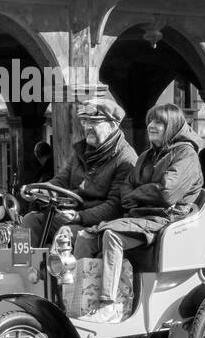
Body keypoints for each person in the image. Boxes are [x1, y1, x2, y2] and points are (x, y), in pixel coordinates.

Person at [73, 104, 203, 321]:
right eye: (150, 121)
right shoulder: (146, 156)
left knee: (111, 235)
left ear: (172, 126)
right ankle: (79, 299)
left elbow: (167, 193)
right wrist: (140, 194)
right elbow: (126, 190)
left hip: (164, 221)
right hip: (139, 218)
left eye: (159, 122)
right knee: (85, 237)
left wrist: (136, 194)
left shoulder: (186, 155)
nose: (152, 126)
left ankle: (109, 304)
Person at [20, 97, 137, 246]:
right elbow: (60, 182)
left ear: (113, 125)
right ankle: (26, 267)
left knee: (65, 234)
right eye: (85, 122)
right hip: (72, 216)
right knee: (31, 220)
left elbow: (115, 206)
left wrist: (78, 216)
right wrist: (37, 191)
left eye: (94, 122)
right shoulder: (81, 152)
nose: (87, 127)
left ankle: (56, 269)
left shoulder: (126, 159)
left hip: (102, 224)